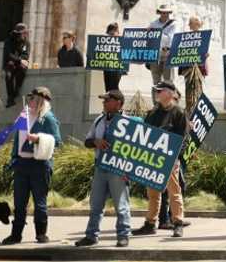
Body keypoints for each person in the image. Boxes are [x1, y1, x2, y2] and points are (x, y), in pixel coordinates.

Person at [127, 81, 187, 237]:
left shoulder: (179, 113)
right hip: (152, 159)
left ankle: (178, 223)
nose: (157, 93)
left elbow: (182, 139)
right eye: (157, 91)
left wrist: (175, 158)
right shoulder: (152, 113)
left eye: (160, 91)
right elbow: (144, 134)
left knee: (174, 192)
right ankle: (150, 223)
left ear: (170, 93)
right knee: (153, 193)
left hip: (170, 159)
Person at [2, 87, 62, 244]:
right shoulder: (24, 116)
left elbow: (57, 141)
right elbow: (17, 140)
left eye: (33, 98)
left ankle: (41, 233)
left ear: (42, 101)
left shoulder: (48, 118)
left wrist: (39, 139)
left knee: (40, 202)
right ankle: (16, 234)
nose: (30, 101)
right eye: (29, 98)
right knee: (19, 203)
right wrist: (13, 158)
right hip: (21, 164)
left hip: (39, 165)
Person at [75, 89, 131, 248]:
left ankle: (123, 235)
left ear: (118, 103)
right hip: (100, 167)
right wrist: (96, 142)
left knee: (121, 204)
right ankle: (91, 236)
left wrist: (129, 171)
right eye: (104, 100)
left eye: (107, 100)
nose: (104, 103)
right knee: (96, 204)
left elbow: (136, 151)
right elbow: (87, 141)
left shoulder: (129, 122)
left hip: (118, 169)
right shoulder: (99, 120)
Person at [148, 4, 178, 88]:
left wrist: (168, 47)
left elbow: (173, 38)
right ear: (159, 13)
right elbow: (148, 37)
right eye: (163, 13)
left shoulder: (173, 24)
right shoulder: (153, 24)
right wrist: (147, 31)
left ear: (169, 13)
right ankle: (157, 100)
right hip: (155, 55)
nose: (165, 14)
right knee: (156, 80)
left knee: (168, 80)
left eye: (167, 13)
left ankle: (168, 100)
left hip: (168, 54)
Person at [3, 23, 30, 107]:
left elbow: (25, 54)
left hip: (19, 63)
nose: (25, 35)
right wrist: (18, 60)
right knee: (8, 75)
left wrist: (21, 60)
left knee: (22, 70)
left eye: (26, 33)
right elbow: (8, 54)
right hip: (10, 62)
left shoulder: (26, 42)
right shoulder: (9, 41)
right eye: (23, 33)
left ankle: (16, 91)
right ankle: (10, 98)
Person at [103, 22, 123, 92]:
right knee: (108, 88)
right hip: (107, 68)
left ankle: (116, 101)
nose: (110, 36)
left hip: (117, 69)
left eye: (112, 34)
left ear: (117, 32)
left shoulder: (122, 42)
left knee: (114, 87)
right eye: (109, 34)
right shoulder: (105, 43)